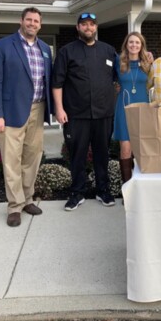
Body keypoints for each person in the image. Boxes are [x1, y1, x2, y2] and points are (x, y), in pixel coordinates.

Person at [0, 7, 53, 227]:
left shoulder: (45, 48)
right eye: (29, 20)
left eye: (36, 21)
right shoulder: (2, 46)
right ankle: (14, 206)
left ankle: (27, 199)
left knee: (32, 158)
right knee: (12, 160)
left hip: (38, 108)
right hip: (11, 111)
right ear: (21, 21)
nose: (32, 24)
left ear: (40, 25)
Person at [52, 12, 117, 210]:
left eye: (91, 24)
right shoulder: (66, 51)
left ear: (96, 27)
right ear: (78, 28)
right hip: (75, 115)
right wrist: (59, 109)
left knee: (102, 154)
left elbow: (120, 74)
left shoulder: (108, 50)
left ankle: (103, 191)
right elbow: (57, 83)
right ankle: (77, 193)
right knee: (77, 155)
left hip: (103, 114)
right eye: (84, 24)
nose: (88, 28)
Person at [114, 32, 152, 183]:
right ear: (126, 45)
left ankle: (141, 185)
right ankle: (127, 187)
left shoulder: (148, 63)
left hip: (143, 109)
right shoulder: (119, 62)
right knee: (126, 148)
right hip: (123, 108)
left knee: (142, 149)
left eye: (137, 42)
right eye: (131, 42)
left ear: (141, 45)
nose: (134, 45)